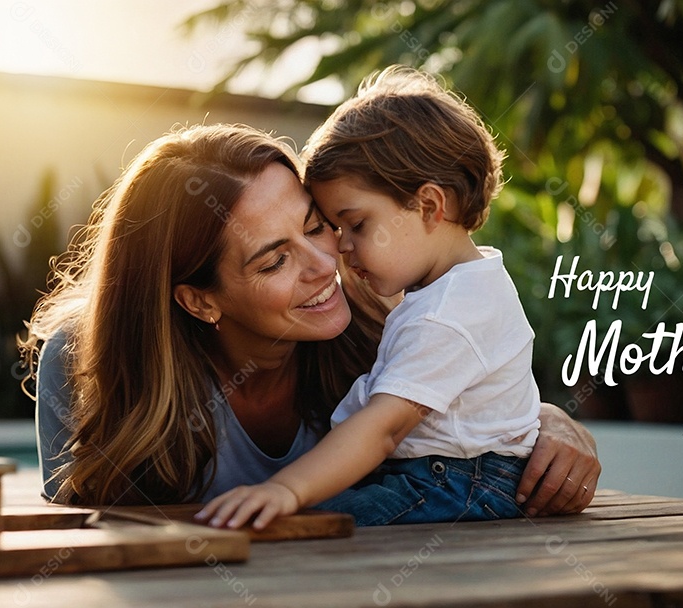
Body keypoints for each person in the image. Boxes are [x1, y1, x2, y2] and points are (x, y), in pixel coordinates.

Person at [27, 121, 599, 518]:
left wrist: (550, 420)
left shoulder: (383, 308)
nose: (327, 264)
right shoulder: (87, 362)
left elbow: (463, 393)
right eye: (275, 259)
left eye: (317, 224)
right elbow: (84, 555)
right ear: (199, 301)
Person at [195, 67, 547, 529]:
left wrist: (285, 488)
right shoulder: (455, 291)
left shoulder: (449, 313)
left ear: (428, 206)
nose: (340, 249)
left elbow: (384, 429)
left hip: (452, 483)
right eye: (334, 227)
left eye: (356, 225)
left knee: (307, 526)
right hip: (438, 477)